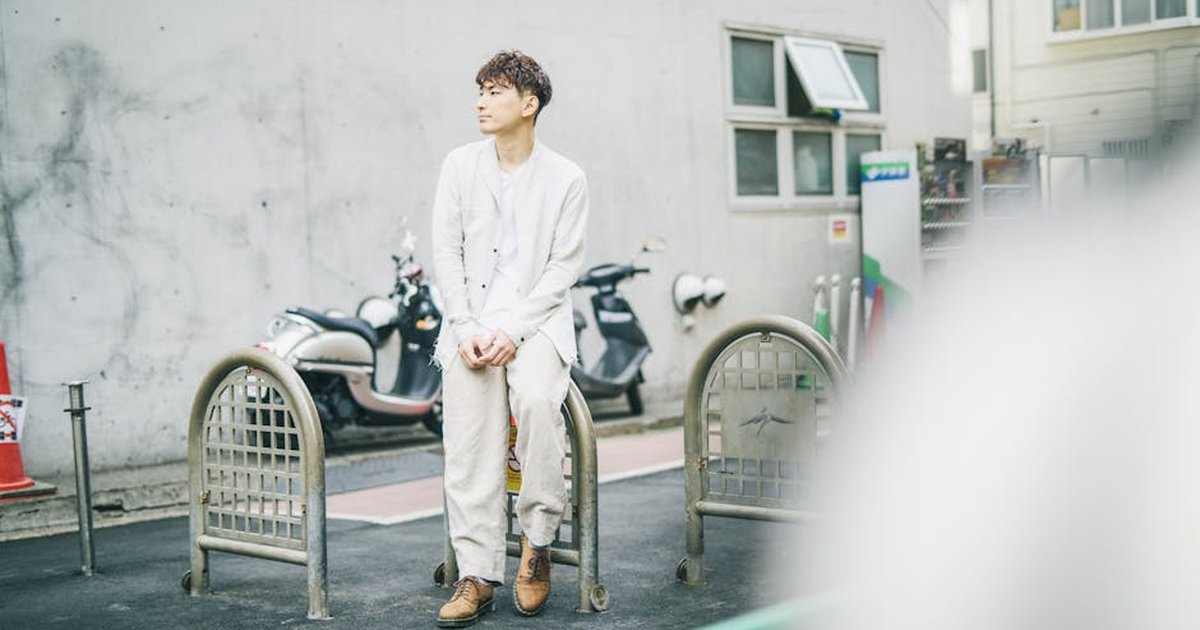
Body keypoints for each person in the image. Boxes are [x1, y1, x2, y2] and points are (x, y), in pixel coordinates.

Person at [429, 49, 588, 627]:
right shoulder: (459, 166)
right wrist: (466, 327)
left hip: (537, 323)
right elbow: (446, 253)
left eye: (495, 92)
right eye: (480, 91)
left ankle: (537, 544)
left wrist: (514, 331)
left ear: (529, 103)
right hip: (469, 325)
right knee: (468, 441)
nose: (481, 102)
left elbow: (562, 268)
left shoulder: (567, 177)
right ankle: (476, 574)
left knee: (539, 404)